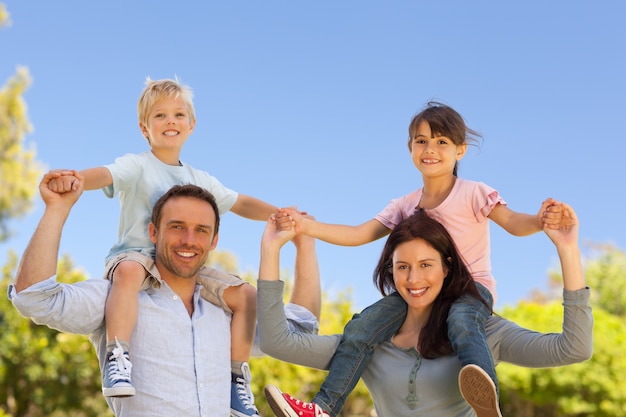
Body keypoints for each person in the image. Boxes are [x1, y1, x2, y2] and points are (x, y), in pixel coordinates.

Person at [274, 101, 564, 417]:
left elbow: (512, 222)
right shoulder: (405, 204)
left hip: (470, 289)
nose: (431, 149)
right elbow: (358, 234)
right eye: (422, 140)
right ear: (410, 147)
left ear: (460, 150)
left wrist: (539, 220)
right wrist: (307, 226)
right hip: (420, 292)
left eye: (442, 142)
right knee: (361, 327)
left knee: (462, 322)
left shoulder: (473, 193)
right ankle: (323, 408)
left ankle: (485, 400)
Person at [46, 77, 278, 416]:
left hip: (183, 266)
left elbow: (240, 202)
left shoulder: (201, 179)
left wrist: (280, 215)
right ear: (145, 128)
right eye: (160, 116)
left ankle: (235, 379)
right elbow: (105, 175)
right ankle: (118, 355)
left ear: (192, 124)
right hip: (137, 257)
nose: (171, 122)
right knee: (127, 272)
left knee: (246, 296)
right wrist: (76, 179)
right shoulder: (137, 165)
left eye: (178, 115)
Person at [9, 177, 320, 416]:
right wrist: (57, 208)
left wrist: (306, 244)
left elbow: (301, 330)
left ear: (214, 241)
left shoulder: (230, 312)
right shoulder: (118, 296)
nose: (189, 240)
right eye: (177, 226)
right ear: (153, 233)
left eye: (201, 230)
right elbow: (34, 298)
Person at [258, 208, 592, 417]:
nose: (414, 279)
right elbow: (278, 343)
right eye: (402, 267)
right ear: (390, 271)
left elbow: (574, 348)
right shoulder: (368, 344)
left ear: (448, 267)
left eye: (426, 265)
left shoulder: (483, 333)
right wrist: (271, 248)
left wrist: (567, 249)